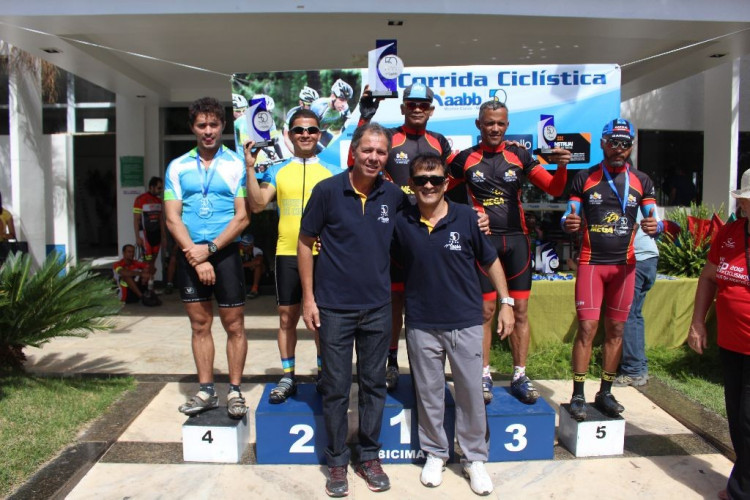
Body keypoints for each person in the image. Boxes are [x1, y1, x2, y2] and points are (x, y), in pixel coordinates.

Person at [392, 153, 514, 496]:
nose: (429, 185)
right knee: (429, 394)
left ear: (446, 183)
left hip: (465, 321)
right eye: (421, 180)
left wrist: (506, 303)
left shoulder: (468, 218)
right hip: (421, 322)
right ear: (412, 184)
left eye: (435, 179)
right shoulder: (402, 222)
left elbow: (491, 261)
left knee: (471, 393)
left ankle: (474, 458)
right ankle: (435, 453)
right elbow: (373, 249)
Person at [355, 82, 489, 392]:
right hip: (396, 228)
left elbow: (460, 182)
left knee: (428, 297)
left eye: (423, 105)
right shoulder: (389, 137)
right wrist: (364, 119)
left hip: (430, 230)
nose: (417, 109)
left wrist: (477, 213)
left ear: (431, 110)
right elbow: (358, 166)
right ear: (403, 107)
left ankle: (435, 365)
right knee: (394, 301)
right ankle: (391, 361)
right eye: (412, 104)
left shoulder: (439, 141)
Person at [298, 122, 407, 497]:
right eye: (368, 150)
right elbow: (304, 242)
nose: (374, 157)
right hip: (333, 308)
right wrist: (308, 299)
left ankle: (369, 456)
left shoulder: (393, 195)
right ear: (354, 152)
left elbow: (428, 213)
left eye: (381, 152)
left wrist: (475, 218)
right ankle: (336, 460)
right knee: (336, 388)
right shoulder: (327, 191)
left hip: (378, 308)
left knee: (374, 386)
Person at [449, 100, 571, 404]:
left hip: (517, 242)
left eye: (500, 123)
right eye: (489, 123)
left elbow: (555, 189)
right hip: (483, 243)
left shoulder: (519, 155)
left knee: (520, 311)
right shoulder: (464, 159)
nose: (495, 128)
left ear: (507, 125)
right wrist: (466, 215)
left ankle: (519, 375)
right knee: (485, 311)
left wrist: (562, 167)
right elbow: (437, 193)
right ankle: (483, 375)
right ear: (478, 124)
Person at [561, 118, 661, 421]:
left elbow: (654, 219)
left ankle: (605, 391)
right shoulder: (585, 177)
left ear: (631, 146)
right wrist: (568, 222)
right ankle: (578, 394)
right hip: (592, 264)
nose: (619, 149)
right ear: (603, 143)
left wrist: (656, 227)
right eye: (614, 142)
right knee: (587, 329)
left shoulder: (642, 180)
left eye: (625, 143)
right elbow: (568, 215)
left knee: (617, 329)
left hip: (624, 267)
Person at [244, 108, 338, 403]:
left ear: (319, 134)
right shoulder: (278, 170)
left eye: (311, 130)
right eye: (299, 130)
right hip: (287, 253)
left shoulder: (333, 171)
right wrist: (250, 168)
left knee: (322, 320)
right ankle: (288, 375)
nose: (305, 135)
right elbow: (257, 205)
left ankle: (323, 374)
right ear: (290, 135)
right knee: (287, 318)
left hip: (323, 255)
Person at [164, 97, 250, 419]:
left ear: (223, 126)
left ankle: (235, 391)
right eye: (202, 125)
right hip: (191, 254)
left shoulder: (236, 164)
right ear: (193, 128)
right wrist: (196, 257)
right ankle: (206, 391)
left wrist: (210, 250)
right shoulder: (177, 166)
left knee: (234, 325)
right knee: (200, 325)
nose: (208, 131)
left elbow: (243, 217)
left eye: (214, 124)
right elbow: (172, 218)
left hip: (224, 253)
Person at [688, 168, 750, 500]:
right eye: (745, 201)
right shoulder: (730, 233)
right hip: (731, 343)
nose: (745, 206)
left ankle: (740, 491)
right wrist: (698, 322)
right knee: (737, 421)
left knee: (748, 421)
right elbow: (708, 277)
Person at [614, 208, 659, 387]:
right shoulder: (642, 198)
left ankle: (633, 370)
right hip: (648, 258)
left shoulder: (629, 198)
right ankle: (639, 367)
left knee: (628, 315)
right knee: (635, 315)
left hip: (636, 258)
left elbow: (630, 227)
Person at [133, 176, 166, 299]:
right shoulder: (140, 199)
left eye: (161, 188)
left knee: (152, 263)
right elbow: (136, 220)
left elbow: (161, 220)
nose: (160, 190)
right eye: (158, 188)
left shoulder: (159, 201)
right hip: (145, 237)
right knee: (146, 263)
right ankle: (143, 288)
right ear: (151, 187)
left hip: (156, 236)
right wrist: (137, 237)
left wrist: (164, 236)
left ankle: (151, 287)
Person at [310, 78, 353, 149]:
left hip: (324, 132)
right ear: (333, 96)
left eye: (346, 100)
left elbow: (349, 126)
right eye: (341, 99)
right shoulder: (318, 107)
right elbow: (308, 131)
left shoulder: (345, 107)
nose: (344, 104)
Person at [283, 86, 320, 153]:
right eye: (309, 105)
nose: (312, 108)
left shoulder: (317, 111)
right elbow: (286, 137)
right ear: (301, 103)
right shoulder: (293, 114)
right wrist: (296, 153)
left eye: (315, 105)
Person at [239, 233, 264, 299]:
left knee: (257, 266)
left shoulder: (256, 250)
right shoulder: (239, 250)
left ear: (251, 245)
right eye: (242, 244)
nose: (243, 246)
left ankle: (254, 289)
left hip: (255, 275)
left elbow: (258, 262)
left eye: (245, 245)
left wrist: (243, 265)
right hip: (243, 274)